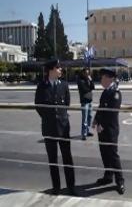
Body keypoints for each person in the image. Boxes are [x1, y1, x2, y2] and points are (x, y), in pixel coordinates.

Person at [34, 59, 76, 196]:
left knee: (67, 158)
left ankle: (71, 187)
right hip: (49, 128)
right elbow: (39, 106)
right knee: (53, 160)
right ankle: (56, 187)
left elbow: (67, 103)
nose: (60, 70)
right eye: (58, 68)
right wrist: (50, 118)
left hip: (63, 127)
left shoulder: (64, 85)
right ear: (51, 70)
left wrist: (60, 117)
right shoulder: (42, 86)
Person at [92, 68, 125, 195]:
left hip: (110, 129)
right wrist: (96, 120)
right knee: (104, 153)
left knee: (113, 155)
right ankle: (108, 176)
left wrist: (102, 126)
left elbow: (112, 113)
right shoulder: (106, 91)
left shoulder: (115, 92)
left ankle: (120, 181)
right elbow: (101, 108)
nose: (101, 80)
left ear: (109, 78)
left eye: (102, 77)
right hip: (102, 128)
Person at [77, 67, 95, 140]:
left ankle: (87, 131)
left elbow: (93, 87)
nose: (87, 74)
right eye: (86, 73)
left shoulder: (88, 79)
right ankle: (83, 134)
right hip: (84, 101)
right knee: (84, 118)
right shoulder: (80, 80)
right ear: (83, 73)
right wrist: (89, 87)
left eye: (88, 73)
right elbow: (85, 89)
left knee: (90, 117)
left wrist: (91, 80)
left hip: (90, 100)